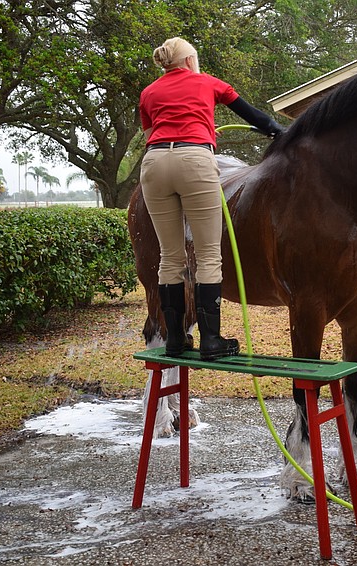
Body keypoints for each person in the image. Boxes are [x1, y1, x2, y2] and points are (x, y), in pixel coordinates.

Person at [139, 37, 283, 360]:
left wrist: (190, 131)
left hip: (154, 164)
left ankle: (175, 339)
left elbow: (153, 136)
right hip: (195, 160)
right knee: (208, 255)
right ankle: (211, 341)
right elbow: (253, 115)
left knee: (170, 256)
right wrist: (278, 131)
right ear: (190, 61)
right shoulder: (207, 82)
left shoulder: (148, 93)